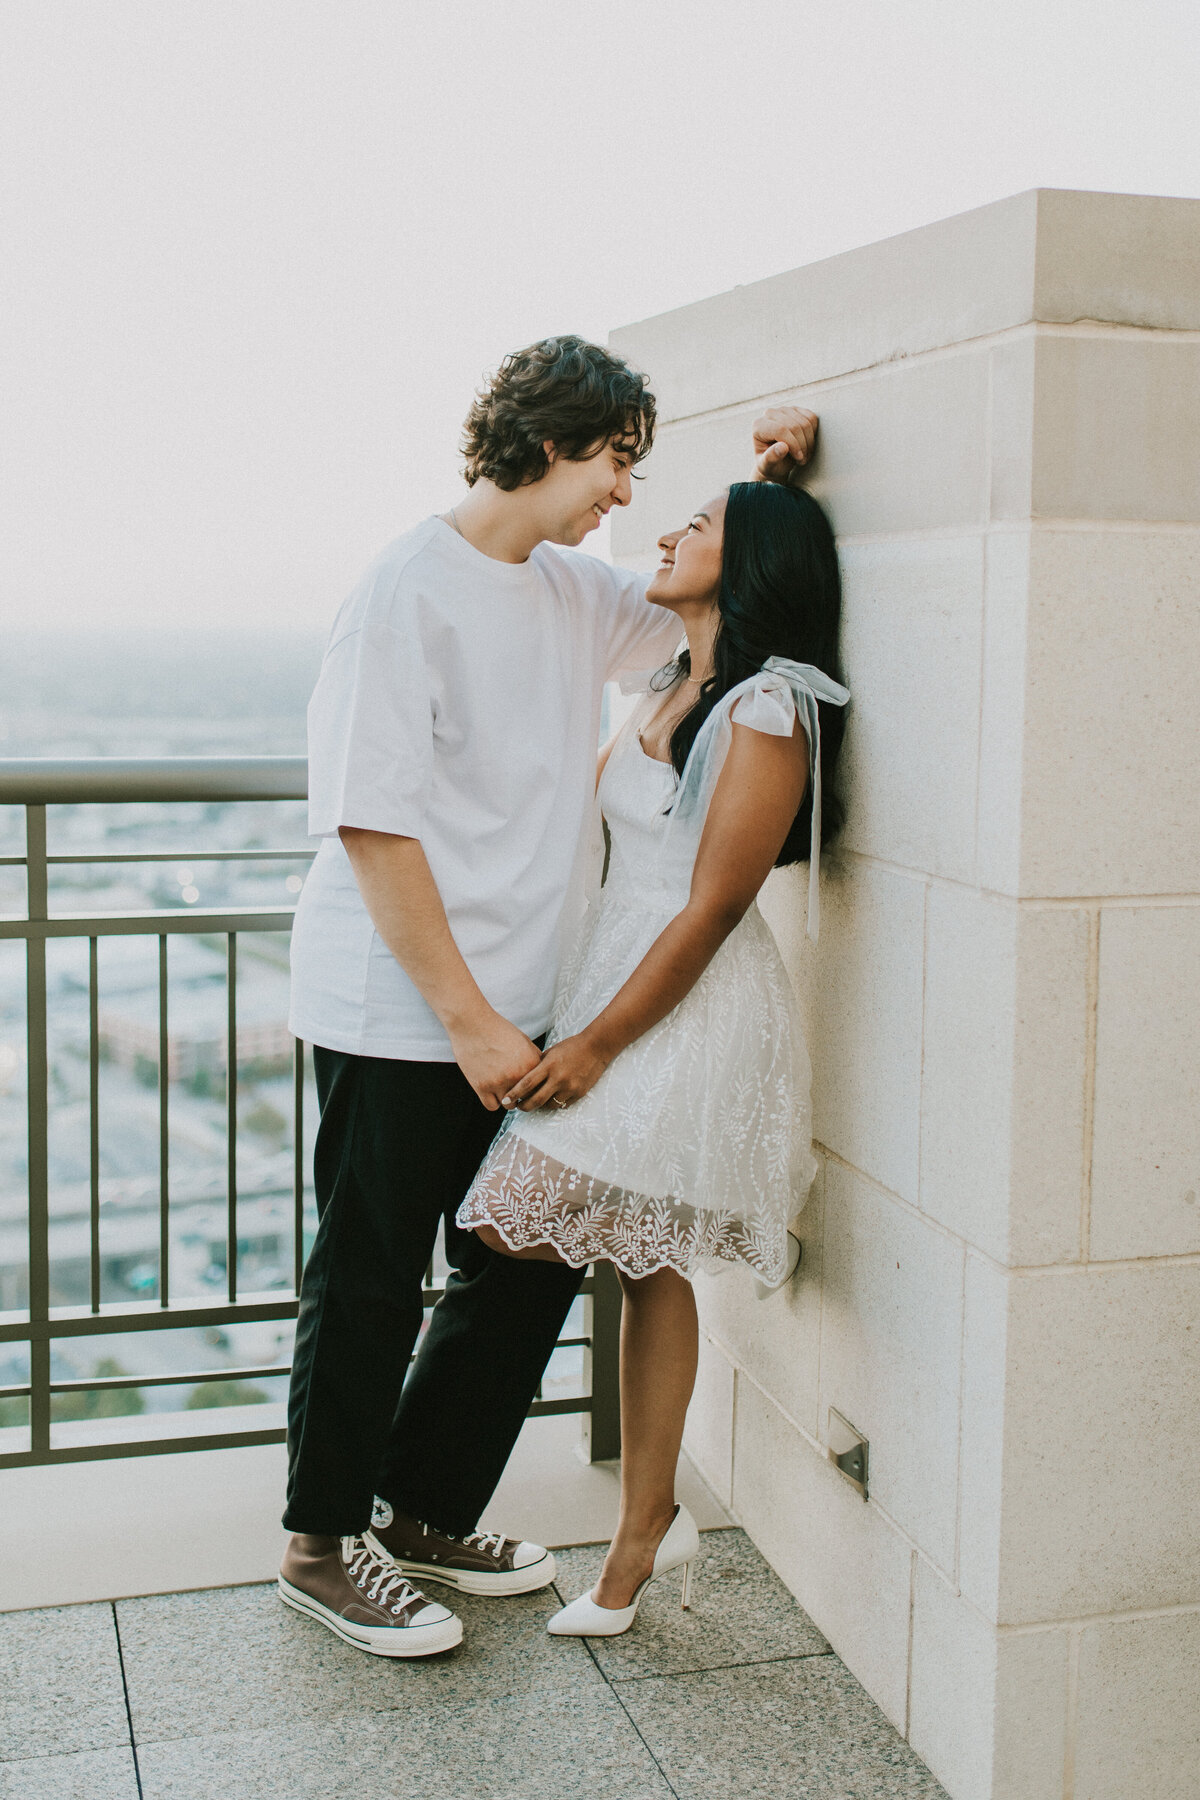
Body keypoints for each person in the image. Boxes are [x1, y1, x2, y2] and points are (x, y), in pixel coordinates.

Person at [278, 332, 819, 1657]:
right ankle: (321, 1541)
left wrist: (774, 488)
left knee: (521, 1267)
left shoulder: (573, 592)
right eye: (615, 463)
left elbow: (719, 610)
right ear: (545, 443)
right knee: (366, 1277)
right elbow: (373, 825)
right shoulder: (405, 591)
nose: (626, 496)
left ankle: (420, 1511)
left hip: (535, 1007)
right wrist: (462, 1016)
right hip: (402, 1004)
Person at [457, 476, 848, 1636]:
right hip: (610, 979)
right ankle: (647, 1524)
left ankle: (632, 1530)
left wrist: (594, 1046)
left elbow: (715, 906)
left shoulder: (768, 709)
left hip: (682, 1007)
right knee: (640, 1263)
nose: (669, 535)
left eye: (701, 526)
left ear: (754, 564)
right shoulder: (671, 681)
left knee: (522, 1217)